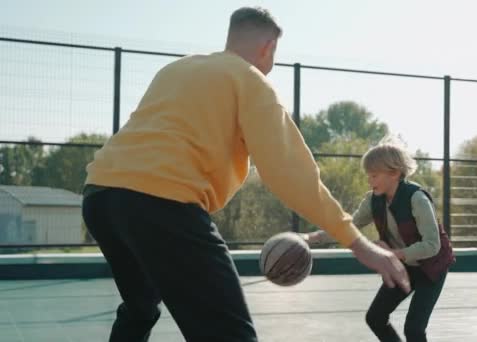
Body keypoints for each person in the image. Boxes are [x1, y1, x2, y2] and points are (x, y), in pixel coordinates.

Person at [81, 6, 409, 342]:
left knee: (140, 306)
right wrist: (357, 242)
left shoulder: (176, 69)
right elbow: (290, 172)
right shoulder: (251, 81)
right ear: (268, 46)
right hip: (162, 203)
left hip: (100, 197)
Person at [303, 137, 455, 342]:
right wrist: (311, 238)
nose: (369, 180)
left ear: (394, 173)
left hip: (431, 267)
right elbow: (347, 227)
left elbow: (432, 245)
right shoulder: (373, 200)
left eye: (374, 175)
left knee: (414, 329)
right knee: (375, 317)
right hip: (405, 266)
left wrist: (395, 254)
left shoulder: (417, 198)